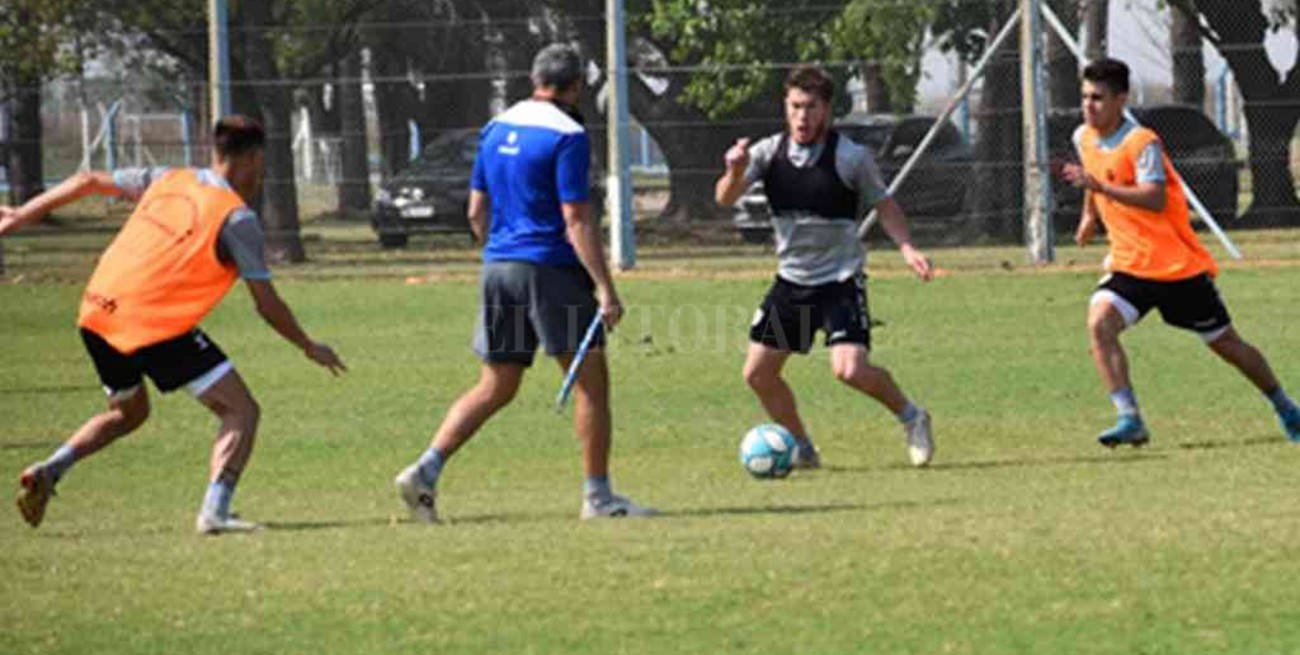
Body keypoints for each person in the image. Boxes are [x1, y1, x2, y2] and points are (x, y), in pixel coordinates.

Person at [2, 116, 347, 534]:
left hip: (96, 311)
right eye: (262, 163)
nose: (262, 173)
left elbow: (87, 179)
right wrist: (309, 345)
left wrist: (21, 214)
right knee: (241, 410)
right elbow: (267, 305)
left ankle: (50, 469)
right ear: (252, 158)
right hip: (150, 323)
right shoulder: (236, 219)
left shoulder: (170, 178)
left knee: (129, 412)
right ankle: (215, 512)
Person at [393, 44, 654, 522]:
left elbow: (476, 211)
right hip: (550, 269)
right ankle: (598, 498)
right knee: (591, 384)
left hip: (498, 267)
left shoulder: (496, 128)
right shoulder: (568, 135)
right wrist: (605, 287)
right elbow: (576, 218)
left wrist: (500, 253)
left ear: (536, 79)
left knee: (497, 384)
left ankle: (425, 469)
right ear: (574, 87)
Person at [1060, 57, 1300, 446]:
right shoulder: (1083, 137)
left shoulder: (1143, 143)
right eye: (1085, 97)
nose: (1088, 106)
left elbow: (1153, 198)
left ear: (1121, 99)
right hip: (1129, 265)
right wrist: (1090, 215)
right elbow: (1094, 174)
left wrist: (1100, 190)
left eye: (1098, 98)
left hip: (1175, 267)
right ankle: (1129, 417)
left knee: (1226, 344)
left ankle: (1285, 405)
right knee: (1099, 323)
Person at [715, 65, 937, 469]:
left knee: (849, 369)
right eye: (796, 106)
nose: (803, 116)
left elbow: (884, 206)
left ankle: (913, 416)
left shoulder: (851, 158)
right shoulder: (767, 153)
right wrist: (733, 170)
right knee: (759, 375)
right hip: (792, 283)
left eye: (811, 107)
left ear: (827, 109)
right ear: (786, 106)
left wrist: (907, 247)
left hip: (838, 281)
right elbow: (725, 198)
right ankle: (802, 449)